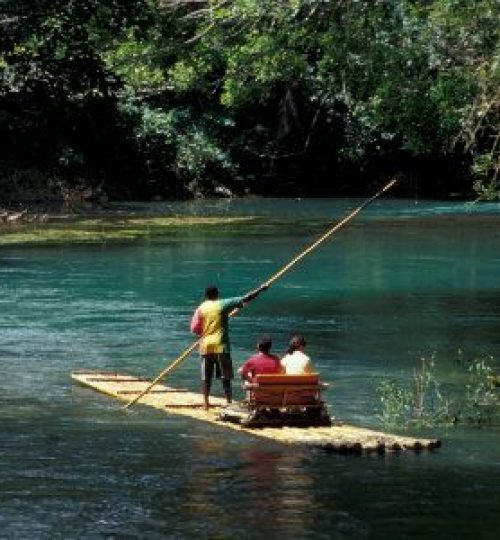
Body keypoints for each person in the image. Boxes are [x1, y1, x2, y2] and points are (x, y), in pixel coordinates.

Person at [190, 283, 268, 409]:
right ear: (217, 294)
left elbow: (194, 328)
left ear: (206, 296)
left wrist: (205, 332)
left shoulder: (201, 308)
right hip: (221, 345)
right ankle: (229, 401)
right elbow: (245, 298)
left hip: (205, 345)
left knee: (206, 377)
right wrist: (260, 289)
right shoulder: (222, 304)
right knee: (225, 376)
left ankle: (205, 403)